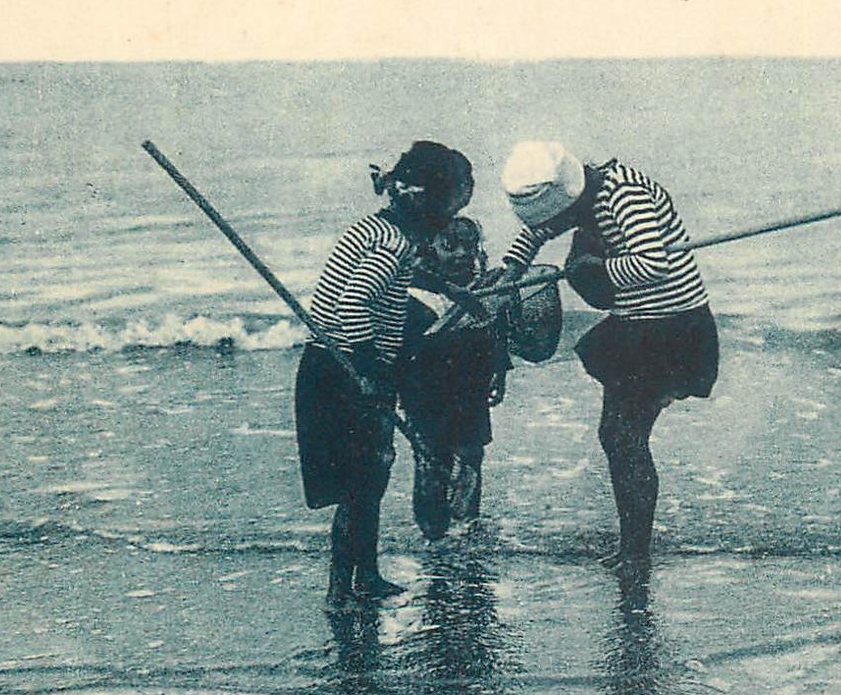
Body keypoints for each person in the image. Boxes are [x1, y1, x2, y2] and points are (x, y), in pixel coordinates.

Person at [497, 140, 718, 571]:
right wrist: (508, 276)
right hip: (636, 321)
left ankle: (635, 553)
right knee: (619, 437)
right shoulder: (582, 194)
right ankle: (633, 548)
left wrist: (598, 271)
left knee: (622, 437)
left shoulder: (626, 196)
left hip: (668, 326)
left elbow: (652, 263)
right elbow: (536, 232)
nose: (553, 224)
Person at [294, 141, 476, 604]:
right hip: (343, 370)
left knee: (372, 478)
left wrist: (452, 290)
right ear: (424, 203)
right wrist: (372, 370)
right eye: (448, 207)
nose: (447, 221)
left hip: (346, 365)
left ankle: (366, 577)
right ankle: (341, 589)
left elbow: (402, 274)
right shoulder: (391, 244)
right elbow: (353, 303)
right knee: (361, 483)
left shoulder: (384, 232)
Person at [400, 216, 511, 541]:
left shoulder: (485, 287)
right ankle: (433, 532)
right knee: (432, 458)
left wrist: (500, 373)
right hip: (424, 391)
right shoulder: (416, 294)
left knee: (472, 454)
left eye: (469, 246)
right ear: (430, 250)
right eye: (450, 246)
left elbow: (497, 333)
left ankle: (466, 527)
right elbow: (400, 349)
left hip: (470, 387)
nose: (462, 254)